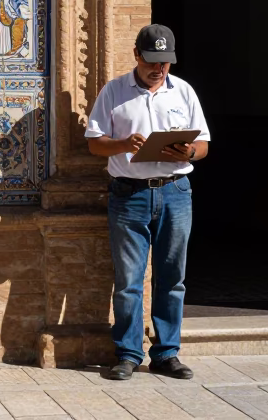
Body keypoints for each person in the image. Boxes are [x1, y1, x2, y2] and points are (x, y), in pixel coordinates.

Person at [85, 24, 210, 381]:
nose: (159, 69)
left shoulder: (183, 92)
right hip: (129, 195)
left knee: (172, 278)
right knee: (128, 280)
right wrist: (124, 144)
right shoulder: (114, 92)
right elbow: (95, 143)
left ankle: (167, 354)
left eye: (166, 62)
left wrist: (189, 151)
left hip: (175, 192)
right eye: (152, 61)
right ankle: (127, 353)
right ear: (137, 55)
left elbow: (203, 146)